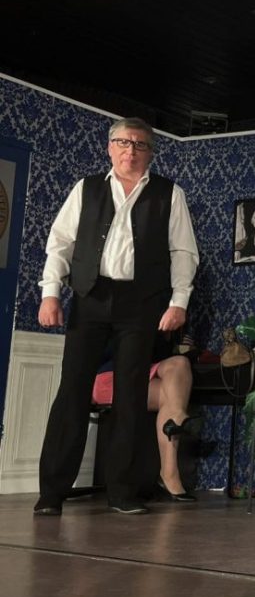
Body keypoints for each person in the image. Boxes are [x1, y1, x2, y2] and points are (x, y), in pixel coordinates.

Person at [34, 117, 200, 516]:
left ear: (150, 153)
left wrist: (179, 302)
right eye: (124, 143)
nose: (131, 151)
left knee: (130, 396)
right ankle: (52, 493)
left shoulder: (169, 194)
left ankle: (123, 492)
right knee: (72, 391)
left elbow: (183, 252)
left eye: (140, 145)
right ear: (110, 147)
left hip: (141, 303)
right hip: (90, 296)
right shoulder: (86, 188)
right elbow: (60, 243)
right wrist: (50, 294)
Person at [92, 332, 197, 502]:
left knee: (180, 363)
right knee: (172, 397)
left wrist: (170, 338)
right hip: (112, 375)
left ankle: (177, 418)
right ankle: (169, 474)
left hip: (143, 372)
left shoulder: (169, 327)